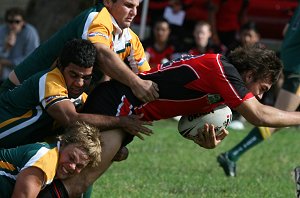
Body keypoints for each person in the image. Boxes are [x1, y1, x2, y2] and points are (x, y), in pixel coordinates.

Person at [57, 45, 300, 197]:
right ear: (249, 74)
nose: (259, 95)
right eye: (262, 88)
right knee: (77, 181)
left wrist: (205, 139)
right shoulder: (221, 70)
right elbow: (259, 115)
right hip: (118, 103)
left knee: (78, 179)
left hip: (130, 114)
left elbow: (185, 120)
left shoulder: (223, 87)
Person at [0, 38, 151, 148]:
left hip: (12, 149)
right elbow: (71, 120)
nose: (79, 83)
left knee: (83, 154)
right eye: (73, 75)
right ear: (60, 66)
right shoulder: (49, 80)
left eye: (86, 77)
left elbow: (77, 130)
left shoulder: (81, 98)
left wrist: (115, 148)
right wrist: (121, 121)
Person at [0, 0, 159, 103]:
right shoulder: (96, 17)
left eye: (137, 6)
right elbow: (102, 54)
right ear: (108, 2)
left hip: (55, 101)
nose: (135, 13)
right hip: (18, 93)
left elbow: (150, 79)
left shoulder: (130, 38)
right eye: (128, 5)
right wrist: (136, 83)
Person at [217, 4, 300, 177]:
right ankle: (232, 154)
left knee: (280, 117)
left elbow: (286, 31)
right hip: (298, 67)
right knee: (278, 117)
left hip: (292, 61)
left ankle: (232, 154)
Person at [0, 121, 101, 198]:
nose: (72, 166)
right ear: (63, 143)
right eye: (71, 157)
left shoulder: (52, 153)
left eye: (79, 166)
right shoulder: (46, 161)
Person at [0, 7, 40, 83]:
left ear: (23, 22)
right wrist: (7, 48)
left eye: (17, 21)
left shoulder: (30, 32)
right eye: (10, 21)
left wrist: (9, 62)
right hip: (4, 70)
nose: (14, 24)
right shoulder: (2, 30)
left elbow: (32, 56)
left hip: (22, 70)